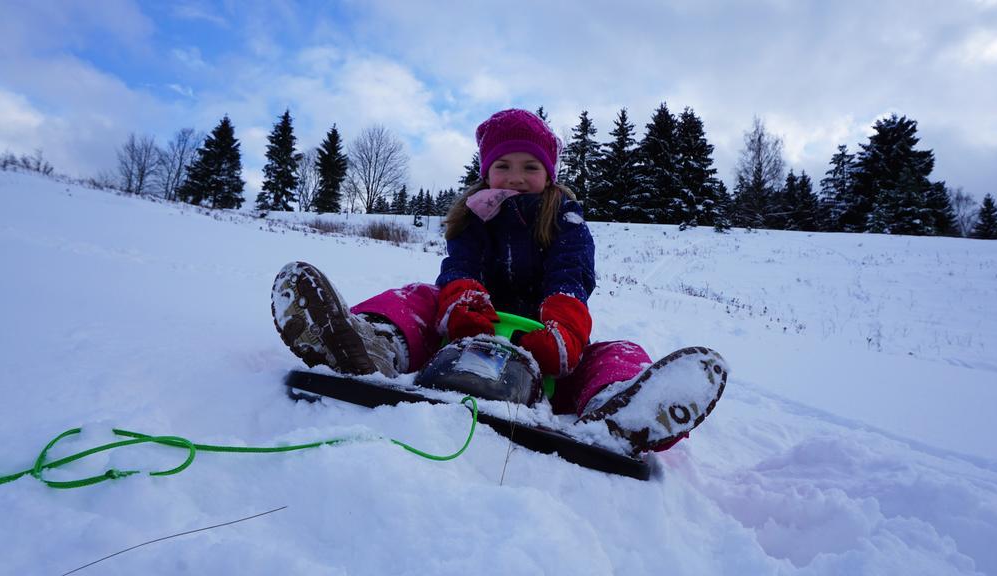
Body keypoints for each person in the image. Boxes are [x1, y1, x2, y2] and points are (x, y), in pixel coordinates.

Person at [272, 109, 727, 455]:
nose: (516, 177)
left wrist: (562, 335)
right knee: (419, 297)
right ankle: (370, 346)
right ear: (485, 172)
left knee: (615, 352)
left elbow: (571, 279)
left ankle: (618, 410)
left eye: (530, 166)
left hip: (545, 354)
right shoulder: (472, 220)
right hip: (467, 337)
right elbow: (459, 269)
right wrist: (462, 307)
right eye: (503, 165)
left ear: (548, 174)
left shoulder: (566, 222)